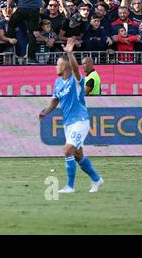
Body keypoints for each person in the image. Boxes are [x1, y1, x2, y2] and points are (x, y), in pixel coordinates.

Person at [38, 44, 103, 194]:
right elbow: (55, 101)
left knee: (68, 150)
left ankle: (70, 186)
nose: (56, 67)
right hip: (68, 123)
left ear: (65, 67)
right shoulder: (58, 82)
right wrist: (45, 112)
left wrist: (70, 54)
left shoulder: (76, 80)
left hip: (80, 121)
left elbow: (75, 68)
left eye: (58, 64)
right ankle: (96, 179)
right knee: (78, 155)